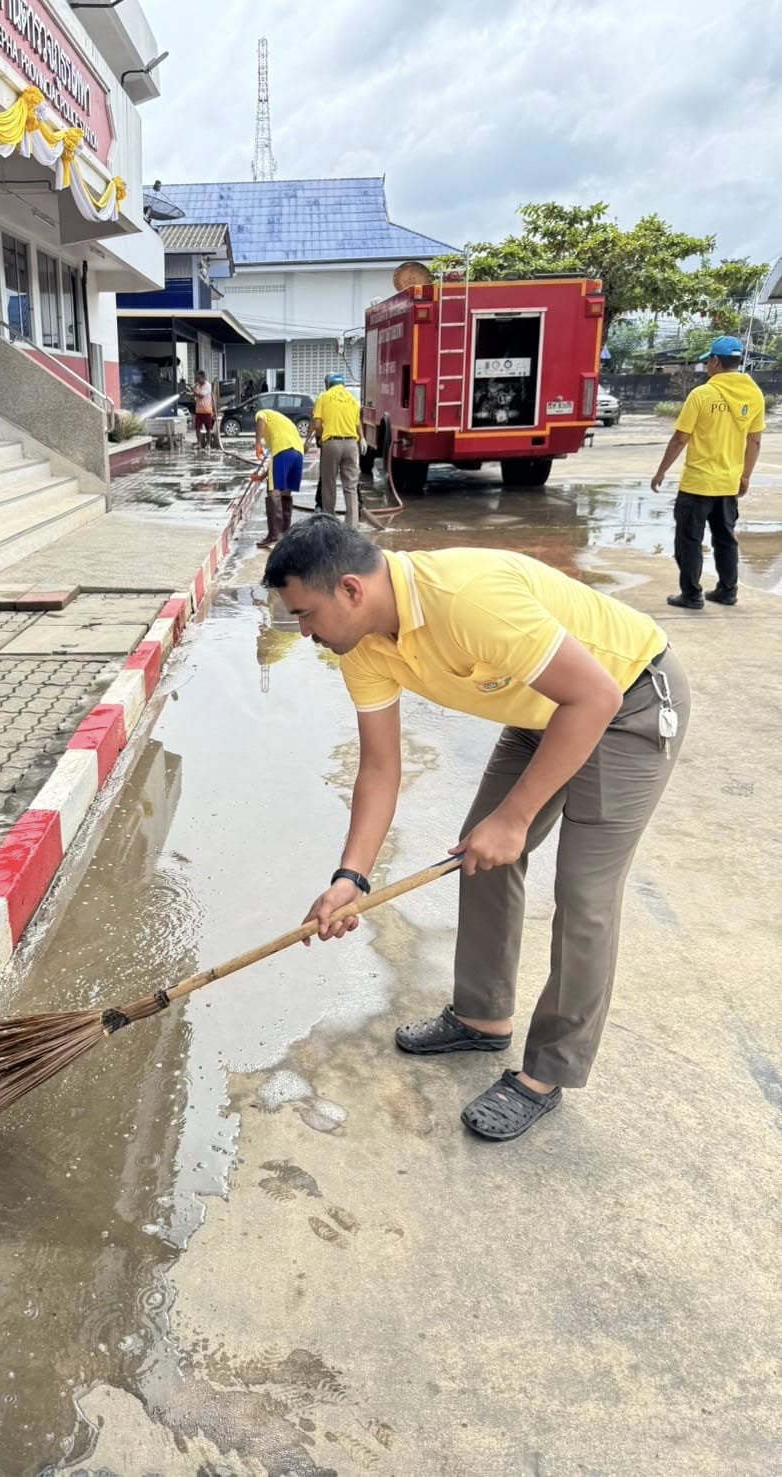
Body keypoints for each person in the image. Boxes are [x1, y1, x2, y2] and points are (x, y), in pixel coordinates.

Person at [263, 516, 690, 1142]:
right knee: (479, 854)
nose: (304, 632)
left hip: (627, 702)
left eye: (305, 614)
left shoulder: (466, 597)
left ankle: (547, 1073)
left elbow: (595, 697)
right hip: (545, 710)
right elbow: (380, 768)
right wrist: (351, 878)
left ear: (351, 589)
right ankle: (483, 1018)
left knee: (585, 892)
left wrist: (514, 818)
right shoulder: (363, 643)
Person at [650, 335, 765, 608]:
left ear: (714, 361)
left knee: (689, 541)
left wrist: (661, 471)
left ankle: (691, 595)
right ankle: (727, 591)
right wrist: (745, 476)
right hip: (728, 483)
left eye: (708, 362)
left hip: (697, 484)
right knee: (726, 539)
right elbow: (755, 441)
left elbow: (680, 438)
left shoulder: (701, 395)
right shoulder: (754, 395)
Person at [311, 373, 361, 525]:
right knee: (351, 487)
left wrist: (321, 438)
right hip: (352, 444)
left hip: (332, 443)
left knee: (329, 485)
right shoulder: (353, 400)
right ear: (343, 385)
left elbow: (317, 425)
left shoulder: (324, 397)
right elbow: (357, 425)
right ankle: (352, 526)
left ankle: (330, 523)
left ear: (329, 385)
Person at [254, 407, 304, 550]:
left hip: (283, 452)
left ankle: (274, 535)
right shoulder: (282, 423)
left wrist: (258, 443)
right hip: (298, 453)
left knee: (273, 492)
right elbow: (274, 466)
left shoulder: (262, 413)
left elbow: (260, 419)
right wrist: (262, 476)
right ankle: (285, 534)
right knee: (285, 492)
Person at [193, 370, 215, 451]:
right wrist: (193, 393)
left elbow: (201, 395)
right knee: (197, 428)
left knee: (208, 429)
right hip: (198, 411)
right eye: (197, 379)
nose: (198, 380)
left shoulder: (208, 386)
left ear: (203, 377)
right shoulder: (198, 386)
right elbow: (196, 396)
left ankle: (208, 444)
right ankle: (199, 443)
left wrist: (193, 391)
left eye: (199, 379)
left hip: (206, 411)